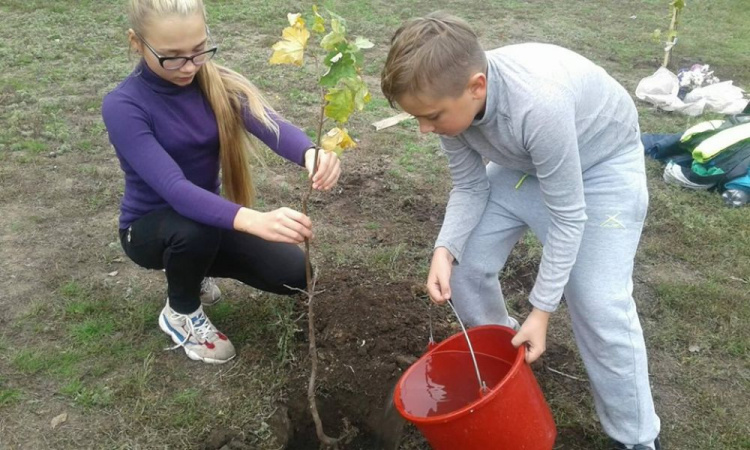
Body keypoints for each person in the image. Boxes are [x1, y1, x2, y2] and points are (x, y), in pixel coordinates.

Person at [381, 12, 661, 450]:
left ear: (477, 87)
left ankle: (636, 437)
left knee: (598, 301)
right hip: (522, 165)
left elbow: (570, 216)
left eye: (431, 117)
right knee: (465, 266)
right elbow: (471, 185)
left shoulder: (538, 105)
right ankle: (506, 355)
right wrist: (444, 249)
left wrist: (542, 309)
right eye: (417, 117)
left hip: (600, 168)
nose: (423, 128)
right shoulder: (447, 98)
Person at [102, 0, 341, 365]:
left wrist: (311, 153)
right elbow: (175, 190)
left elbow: (270, 125)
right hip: (149, 229)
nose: (189, 66)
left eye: (199, 50)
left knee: (295, 273)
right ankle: (181, 311)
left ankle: (192, 270)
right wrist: (255, 221)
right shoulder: (123, 105)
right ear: (137, 43)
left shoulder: (214, 82)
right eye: (172, 56)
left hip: (205, 222)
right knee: (191, 230)